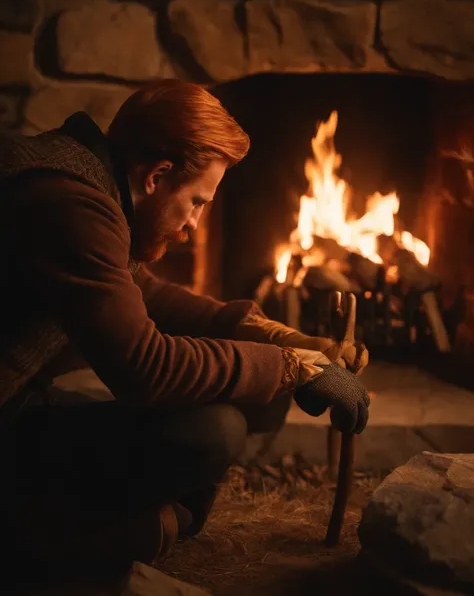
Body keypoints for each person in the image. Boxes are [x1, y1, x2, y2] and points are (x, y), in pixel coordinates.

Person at [0, 79, 370, 578]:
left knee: (241, 404)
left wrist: (274, 335)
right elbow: (144, 368)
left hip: (20, 406)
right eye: (197, 201)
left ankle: (115, 522)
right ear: (157, 176)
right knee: (212, 431)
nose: (196, 224)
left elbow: (146, 293)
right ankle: (56, 535)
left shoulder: (90, 182)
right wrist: (288, 367)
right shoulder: (67, 204)